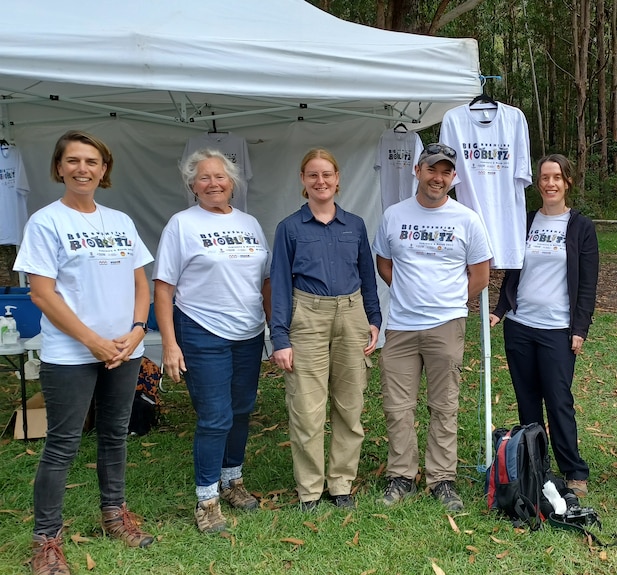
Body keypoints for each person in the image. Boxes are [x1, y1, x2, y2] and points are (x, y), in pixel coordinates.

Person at [14, 130, 154, 575]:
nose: (82, 169)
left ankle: (115, 515)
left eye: (92, 162)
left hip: (123, 350)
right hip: (70, 354)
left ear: (104, 169)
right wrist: (91, 340)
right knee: (62, 445)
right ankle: (47, 541)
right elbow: (41, 293)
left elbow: (140, 283)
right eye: (72, 161)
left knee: (115, 436)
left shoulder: (120, 221)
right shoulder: (46, 221)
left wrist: (136, 331)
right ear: (59, 167)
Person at [153, 149, 271, 533]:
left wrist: (273, 328)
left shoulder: (250, 223)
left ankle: (232, 480)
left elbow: (264, 281)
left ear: (232, 182)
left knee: (241, 409)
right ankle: (207, 499)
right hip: (203, 332)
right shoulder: (181, 225)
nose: (213, 183)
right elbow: (163, 287)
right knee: (215, 416)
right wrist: (169, 344)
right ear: (192, 185)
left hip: (249, 332)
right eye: (204, 178)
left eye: (220, 176)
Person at [372, 142, 492, 511]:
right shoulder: (394, 215)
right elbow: (384, 263)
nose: (438, 178)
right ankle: (402, 476)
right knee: (398, 406)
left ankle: (442, 478)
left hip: (446, 324)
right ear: (417, 171)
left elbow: (481, 274)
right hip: (402, 326)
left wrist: (451, 300)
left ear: (453, 178)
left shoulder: (467, 219)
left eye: (446, 172)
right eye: (431, 169)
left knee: (444, 406)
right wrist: (410, 294)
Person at [270, 149, 381, 511]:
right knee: (307, 408)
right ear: (303, 180)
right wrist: (281, 338)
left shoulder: (355, 225)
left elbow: (368, 275)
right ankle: (310, 490)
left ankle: (341, 484)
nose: (321, 181)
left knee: (350, 406)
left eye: (327, 174)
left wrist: (374, 318)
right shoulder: (290, 228)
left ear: (337, 179)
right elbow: (281, 286)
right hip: (307, 317)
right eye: (313, 175)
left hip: (351, 315)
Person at [490, 154, 599, 497]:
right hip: (520, 326)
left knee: (558, 400)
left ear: (567, 182)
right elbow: (512, 272)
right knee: (526, 400)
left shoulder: (581, 227)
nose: (550, 183)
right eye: (544, 178)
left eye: (557, 177)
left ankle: (574, 470)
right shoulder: (524, 222)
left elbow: (587, 286)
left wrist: (580, 328)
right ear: (537, 183)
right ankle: (535, 464)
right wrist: (501, 309)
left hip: (557, 329)